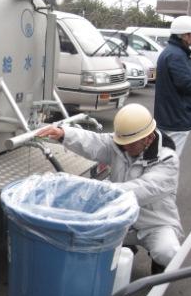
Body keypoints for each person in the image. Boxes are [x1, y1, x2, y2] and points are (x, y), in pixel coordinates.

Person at [37, 103, 183, 274]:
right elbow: (93, 142)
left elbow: (144, 189)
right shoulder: (121, 145)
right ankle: (123, 250)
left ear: (148, 138)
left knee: (168, 252)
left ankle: (159, 265)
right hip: (121, 220)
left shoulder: (168, 160)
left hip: (154, 224)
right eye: (122, 141)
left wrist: (102, 190)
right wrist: (64, 133)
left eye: (130, 143)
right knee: (88, 242)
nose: (124, 147)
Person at [154, 15, 191, 157]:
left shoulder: (170, 52)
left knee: (164, 154)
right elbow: (187, 84)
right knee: (170, 158)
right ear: (184, 35)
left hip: (168, 114)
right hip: (176, 116)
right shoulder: (177, 55)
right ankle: (164, 179)